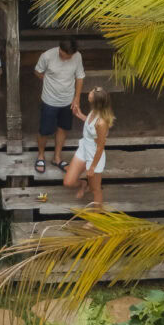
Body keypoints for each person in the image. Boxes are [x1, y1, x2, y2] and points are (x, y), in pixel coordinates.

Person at [34, 35, 85, 173]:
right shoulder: (47, 56)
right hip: (49, 100)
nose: (67, 58)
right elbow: (38, 71)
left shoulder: (77, 56)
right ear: (60, 49)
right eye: (64, 55)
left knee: (63, 128)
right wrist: (48, 80)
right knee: (44, 130)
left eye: (69, 56)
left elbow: (79, 77)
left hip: (67, 100)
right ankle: (40, 155)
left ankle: (57, 158)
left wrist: (77, 98)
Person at [63, 87, 114, 208]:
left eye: (92, 93)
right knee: (68, 182)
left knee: (95, 190)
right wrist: (80, 115)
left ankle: (95, 220)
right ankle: (83, 183)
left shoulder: (101, 123)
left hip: (94, 155)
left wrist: (92, 167)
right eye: (91, 91)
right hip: (84, 149)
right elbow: (91, 126)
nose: (90, 92)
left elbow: (100, 147)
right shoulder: (94, 111)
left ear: (96, 102)